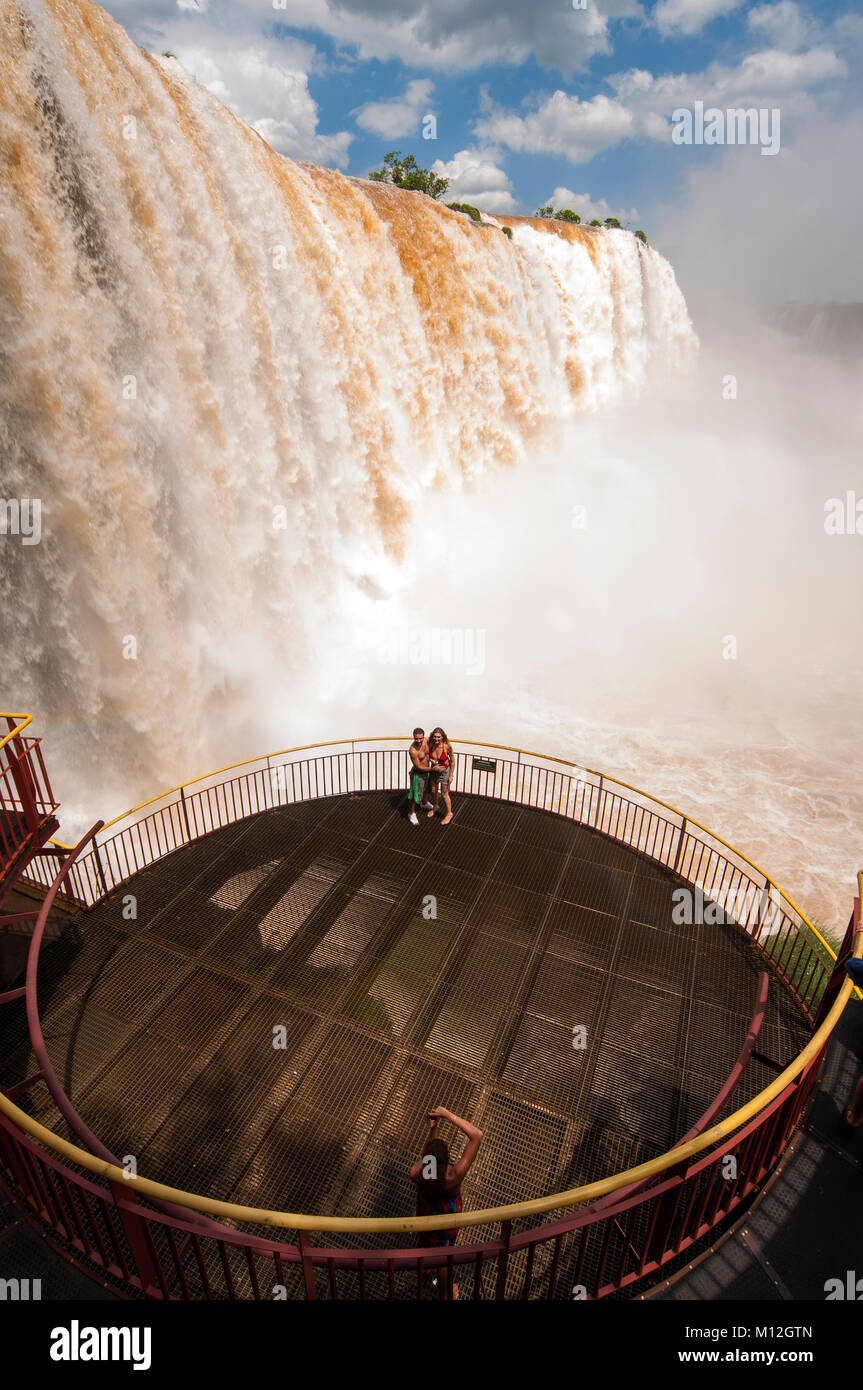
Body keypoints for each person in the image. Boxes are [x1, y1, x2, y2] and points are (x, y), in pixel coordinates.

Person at [409, 1105, 483, 1299]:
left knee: (425, 1240)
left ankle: (424, 1267)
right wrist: (448, 1115)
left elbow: (426, 1162)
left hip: (426, 1213)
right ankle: (445, 1295)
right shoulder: (454, 1176)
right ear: (447, 1159)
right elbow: (477, 1135)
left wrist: (432, 1129)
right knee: (443, 1255)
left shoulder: (418, 1175)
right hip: (445, 1219)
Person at [427, 728, 455, 825]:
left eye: (438, 737)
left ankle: (449, 813)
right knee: (434, 791)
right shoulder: (431, 745)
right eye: (435, 736)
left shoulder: (446, 747)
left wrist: (451, 775)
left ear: (442, 737)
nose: (436, 739)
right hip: (434, 771)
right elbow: (428, 755)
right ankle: (435, 806)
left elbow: (452, 761)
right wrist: (431, 760)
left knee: (444, 794)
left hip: (444, 773)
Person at [407, 728, 434, 826]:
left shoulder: (426, 741)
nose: (418, 741)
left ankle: (424, 802)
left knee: (426, 789)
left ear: (423, 736)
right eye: (416, 739)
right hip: (418, 774)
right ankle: (412, 813)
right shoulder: (413, 750)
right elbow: (418, 766)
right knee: (414, 794)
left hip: (427, 771)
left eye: (420, 738)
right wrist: (432, 769)